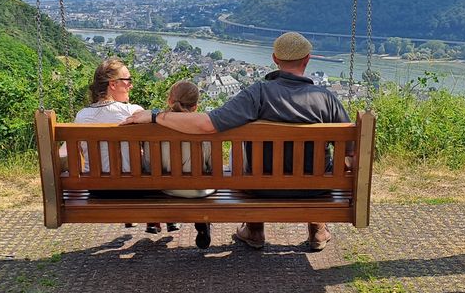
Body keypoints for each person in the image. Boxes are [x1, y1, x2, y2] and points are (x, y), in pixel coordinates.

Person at [122, 31, 348, 251]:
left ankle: (255, 230)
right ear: (307, 59)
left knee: (251, 163)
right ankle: (318, 228)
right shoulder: (326, 99)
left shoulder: (257, 94)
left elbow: (207, 124)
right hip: (315, 189)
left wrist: (155, 116)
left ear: (275, 59)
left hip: (260, 189)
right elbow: (351, 151)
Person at [75, 58, 174, 235]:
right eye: (128, 80)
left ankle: (152, 221)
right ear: (113, 84)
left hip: (97, 190)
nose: (131, 85)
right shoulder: (132, 112)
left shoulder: (81, 117)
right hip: (133, 189)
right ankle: (160, 219)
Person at [159, 80, 216, 249]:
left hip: (167, 188)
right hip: (200, 190)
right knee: (201, 181)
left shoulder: (154, 126)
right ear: (195, 106)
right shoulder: (204, 127)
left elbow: (148, 165)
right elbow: (212, 166)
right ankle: (202, 221)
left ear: (170, 100)